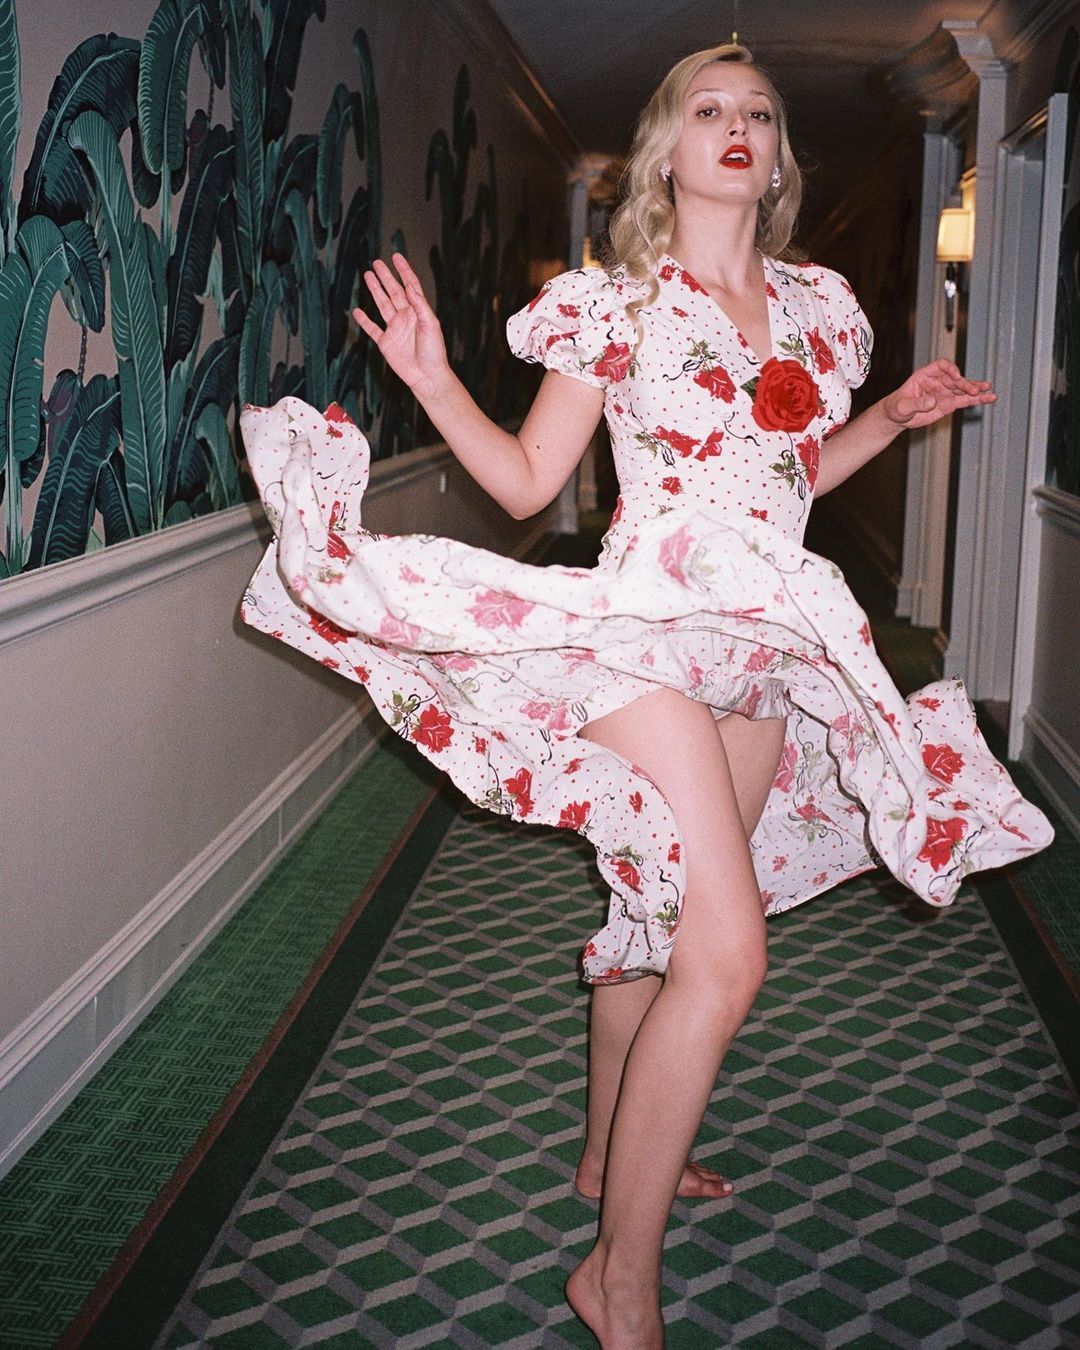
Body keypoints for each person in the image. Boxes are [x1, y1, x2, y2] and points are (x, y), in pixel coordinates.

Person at [239, 42, 1052, 1350]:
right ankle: (617, 1276)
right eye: (708, 110)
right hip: (649, 637)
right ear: (669, 150)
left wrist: (895, 418)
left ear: (778, 158)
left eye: (760, 114)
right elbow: (527, 479)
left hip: (767, 648)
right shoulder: (617, 303)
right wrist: (435, 377)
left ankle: (605, 1155)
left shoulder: (818, 306)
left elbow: (790, 476)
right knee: (728, 959)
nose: (737, 127)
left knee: (663, 921)